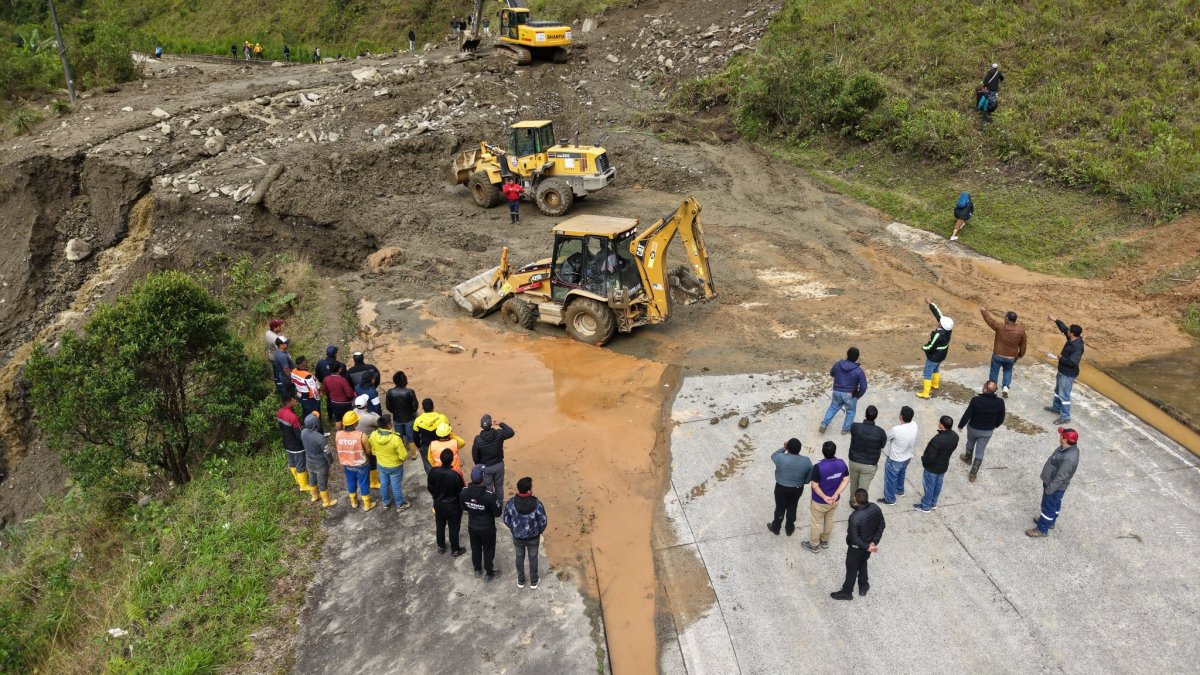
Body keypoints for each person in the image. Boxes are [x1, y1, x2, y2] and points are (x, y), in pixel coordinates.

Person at [830, 489, 885, 600]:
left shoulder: (854, 517)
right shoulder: (875, 507)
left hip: (856, 548)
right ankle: (863, 585)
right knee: (863, 562)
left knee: (851, 567)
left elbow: (854, 539)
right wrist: (873, 543)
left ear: (855, 499)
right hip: (869, 545)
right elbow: (882, 525)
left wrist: (868, 546)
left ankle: (847, 592)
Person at [1027, 427, 1080, 538]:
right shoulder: (1065, 448)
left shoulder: (1069, 459)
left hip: (1054, 487)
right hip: (1052, 483)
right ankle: (1050, 522)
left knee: (1048, 508)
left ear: (1064, 439)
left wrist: (1050, 489)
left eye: (1061, 435)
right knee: (1055, 504)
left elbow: (1061, 477)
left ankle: (1042, 529)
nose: (1059, 436)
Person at [801, 442, 849, 554]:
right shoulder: (842, 463)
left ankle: (814, 545)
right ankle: (824, 541)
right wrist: (836, 494)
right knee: (829, 519)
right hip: (834, 501)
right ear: (835, 451)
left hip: (819, 501)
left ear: (823, 452)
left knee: (816, 523)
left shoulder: (818, 467)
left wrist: (825, 497)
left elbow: (814, 486)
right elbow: (846, 480)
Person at [503, 477, 548, 589]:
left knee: (519, 556)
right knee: (533, 558)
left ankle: (521, 580)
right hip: (533, 537)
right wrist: (538, 531)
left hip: (517, 537)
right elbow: (543, 521)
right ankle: (534, 581)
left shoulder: (511, 503)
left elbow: (506, 519)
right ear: (528, 490)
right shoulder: (537, 503)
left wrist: (514, 529)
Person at [958, 381, 1006, 482]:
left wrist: (961, 425)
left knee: (970, 442)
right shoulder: (1000, 402)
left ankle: (968, 458)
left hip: (973, 428)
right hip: (987, 431)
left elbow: (968, 414)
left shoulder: (976, 400)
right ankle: (973, 474)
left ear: (985, 389)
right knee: (980, 451)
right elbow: (1001, 418)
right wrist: (995, 425)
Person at [461, 465, 502, 581]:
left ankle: (477, 569)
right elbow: (498, 512)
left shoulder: (464, 492)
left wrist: (474, 507)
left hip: (473, 526)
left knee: (475, 548)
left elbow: (464, 506)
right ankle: (489, 573)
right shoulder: (489, 495)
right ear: (483, 478)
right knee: (488, 550)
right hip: (487, 528)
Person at [767, 438, 813, 536]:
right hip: (797, 488)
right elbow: (809, 478)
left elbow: (773, 455)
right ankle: (789, 529)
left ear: (788, 447)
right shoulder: (807, 461)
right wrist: (802, 482)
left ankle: (776, 528)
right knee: (792, 507)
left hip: (781, 488)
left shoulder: (780, 457)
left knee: (780, 508)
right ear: (800, 449)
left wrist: (783, 448)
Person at [1045, 316, 1084, 425]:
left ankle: (1065, 416)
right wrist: (1055, 320)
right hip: (1062, 371)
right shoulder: (1072, 338)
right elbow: (1064, 328)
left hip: (1067, 374)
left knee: (1064, 395)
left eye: (1069, 331)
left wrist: (1061, 358)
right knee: (1058, 391)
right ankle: (1056, 408)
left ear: (1073, 333)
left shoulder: (1078, 347)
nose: (1067, 331)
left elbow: (1073, 362)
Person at [915, 416, 959, 512]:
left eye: (939, 422)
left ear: (942, 426)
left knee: (929, 486)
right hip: (943, 466)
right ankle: (933, 503)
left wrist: (923, 459)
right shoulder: (955, 436)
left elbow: (929, 457)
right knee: (938, 485)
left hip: (932, 468)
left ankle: (925, 506)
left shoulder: (937, 439)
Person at [819, 347, 868, 435]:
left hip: (836, 391)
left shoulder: (838, 364)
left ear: (847, 355)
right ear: (857, 357)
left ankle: (824, 424)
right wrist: (859, 395)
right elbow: (863, 386)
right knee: (850, 412)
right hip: (850, 394)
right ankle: (845, 430)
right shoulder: (859, 371)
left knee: (833, 407)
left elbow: (832, 373)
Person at [980, 307, 1027, 397]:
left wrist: (983, 311)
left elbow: (989, 321)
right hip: (1011, 357)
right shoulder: (1021, 331)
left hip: (997, 355)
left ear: (1006, 319)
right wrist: (1019, 355)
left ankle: (992, 388)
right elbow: (1023, 346)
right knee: (1008, 371)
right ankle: (1005, 387)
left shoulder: (1000, 327)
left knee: (994, 371)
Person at [428, 448, 467, 555]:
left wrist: (436, 496)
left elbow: (430, 487)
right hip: (453, 506)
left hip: (438, 504)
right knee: (453, 528)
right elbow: (462, 491)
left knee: (440, 526)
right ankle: (455, 549)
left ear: (441, 459)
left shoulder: (433, 471)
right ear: (452, 460)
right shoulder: (456, 475)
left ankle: (441, 546)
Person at [878, 406, 918, 505]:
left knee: (890, 479)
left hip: (895, 459)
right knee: (901, 473)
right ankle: (900, 490)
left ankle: (890, 499)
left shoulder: (896, 430)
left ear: (901, 417)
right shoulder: (914, 425)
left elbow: (884, 437)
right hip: (907, 457)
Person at [335, 410, 374, 511]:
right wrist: (369, 456)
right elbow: (368, 450)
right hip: (361, 464)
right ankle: (367, 504)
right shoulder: (361, 435)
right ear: (354, 423)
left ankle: (354, 502)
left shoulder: (338, 434)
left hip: (347, 464)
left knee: (351, 482)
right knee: (364, 483)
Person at [370, 414, 410, 511]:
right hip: (395, 466)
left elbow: (373, 450)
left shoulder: (373, 435)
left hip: (381, 465)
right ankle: (400, 504)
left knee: (384, 484)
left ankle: (386, 503)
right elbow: (404, 455)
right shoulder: (395, 438)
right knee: (396, 486)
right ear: (388, 425)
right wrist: (401, 460)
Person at [847, 405, 887, 497]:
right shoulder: (881, 432)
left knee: (853, 483)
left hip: (854, 461)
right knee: (863, 489)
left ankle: (853, 500)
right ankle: (860, 503)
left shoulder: (855, 426)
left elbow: (852, 433)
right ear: (876, 416)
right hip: (869, 465)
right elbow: (882, 445)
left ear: (865, 414)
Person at [916, 299, 953, 399]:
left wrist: (924, 347)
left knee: (927, 373)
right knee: (936, 368)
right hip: (941, 355)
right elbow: (939, 314)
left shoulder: (938, 335)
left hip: (934, 357)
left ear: (941, 325)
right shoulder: (948, 330)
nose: (939, 321)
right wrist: (931, 304)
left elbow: (931, 346)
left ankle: (925, 393)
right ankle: (935, 384)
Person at [472, 414, 514, 496]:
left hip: (486, 467)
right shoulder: (499, 433)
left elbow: (475, 455)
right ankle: (499, 503)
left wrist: (479, 465)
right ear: (491, 424)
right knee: (499, 487)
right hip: (499, 465)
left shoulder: (478, 439)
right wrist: (500, 424)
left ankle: (490, 503)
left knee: (488, 489)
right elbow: (511, 432)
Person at [302, 412, 336, 507]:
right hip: (320, 464)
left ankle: (314, 496)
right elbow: (327, 452)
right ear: (316, 424)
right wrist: (330, 461)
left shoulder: (303, 432)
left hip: (309, 461)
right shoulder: (320, 438)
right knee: (322, 482)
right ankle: (326, 502)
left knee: (312, 479)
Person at [277, 392, 309, 493]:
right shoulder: (292, 417)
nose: (296, 401)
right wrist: (305, 444)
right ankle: (303, 485)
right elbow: (299, 433)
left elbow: (280, 427)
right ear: (290, 402)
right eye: (294, 399)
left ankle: (297, 480)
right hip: (297, 445)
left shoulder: (280, 412)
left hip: (287, 442)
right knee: (300, 464)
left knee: (292, 462)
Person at [414, 398, 450, 475]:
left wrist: (419, 447)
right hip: (441, 446)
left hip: (426, 447)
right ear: (433, 406)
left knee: (428, 467)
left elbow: (415, 437)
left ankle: (432, 479)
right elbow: (449, 431)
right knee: (443, 464)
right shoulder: (442, 418)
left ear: (423, 408)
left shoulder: (418, 420)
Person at [353, 394, 382, 489]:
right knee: (372, 460)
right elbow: (380, 421)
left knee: (362, 460)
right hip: (368, 441)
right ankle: (373, 482)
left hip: (356, 440)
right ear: (366, 405)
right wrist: (374, 414)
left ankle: (363, 479)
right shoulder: (369, 417)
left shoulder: (353, 412)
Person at [385, 371, 419, 447]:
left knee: (399, 437)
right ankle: (413, 452)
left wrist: (395, 412)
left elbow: (388, 406)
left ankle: (401, 450)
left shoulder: (390, 392)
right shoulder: (410, 392)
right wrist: (410, 412)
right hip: (409, 418)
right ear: (405, 381)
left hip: (397, 418)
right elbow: (415, 407)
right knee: (411, 437)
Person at [323, 364, 356, 432]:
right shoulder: (342, 380)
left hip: (334, 402)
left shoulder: (326, 379)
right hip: (345, 403)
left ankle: (338, 434)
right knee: (346, 419)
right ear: (339, 369)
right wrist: (350, 398)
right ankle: (346, 433)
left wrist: (331, 396)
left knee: (338, 419)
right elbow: (350, 393)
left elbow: (324, 391)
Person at [290, 356, 322, 424]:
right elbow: (314, 390)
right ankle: (318, 428)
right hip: (309, 397)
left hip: (300, 395)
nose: (307, 362)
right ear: (303, 363)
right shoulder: (307, 376)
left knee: (306, 411)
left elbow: (293, 381)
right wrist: (317, 399)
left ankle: (306, 424)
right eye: (306, 361)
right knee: (315, 413)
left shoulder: (293, 371)